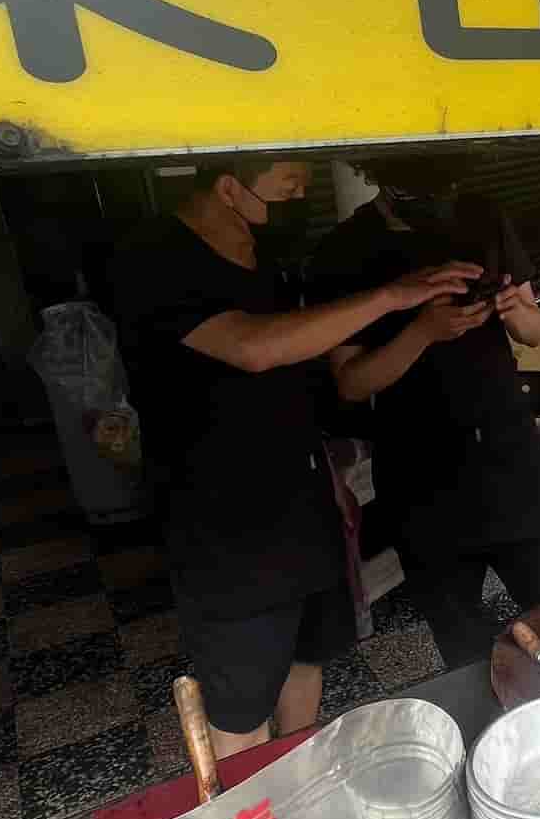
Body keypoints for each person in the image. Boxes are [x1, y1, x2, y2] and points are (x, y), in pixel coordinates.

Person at [110, 156, 476, 759]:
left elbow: (298, 386)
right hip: (226, 529)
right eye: (291, 184)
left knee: (308, 655)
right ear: (230, 188)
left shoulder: (267, 259)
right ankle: (252, 815)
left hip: (303, 502)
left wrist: (327, 477)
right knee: (242, 695)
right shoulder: (153, 258)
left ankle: (296, 777)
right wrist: (388, 297)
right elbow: (254, 348)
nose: (303, 194)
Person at [306, 156, 540, 671]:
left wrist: (516, 310)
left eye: (448, 190)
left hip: (509, 457)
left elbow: (536, 332)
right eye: (417, 198)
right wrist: (424, 330)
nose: (438, 207)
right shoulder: (344, 250)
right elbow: (352, 382)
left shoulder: (482, 216)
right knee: (464, 646)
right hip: (421, 481)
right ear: (379, 174)